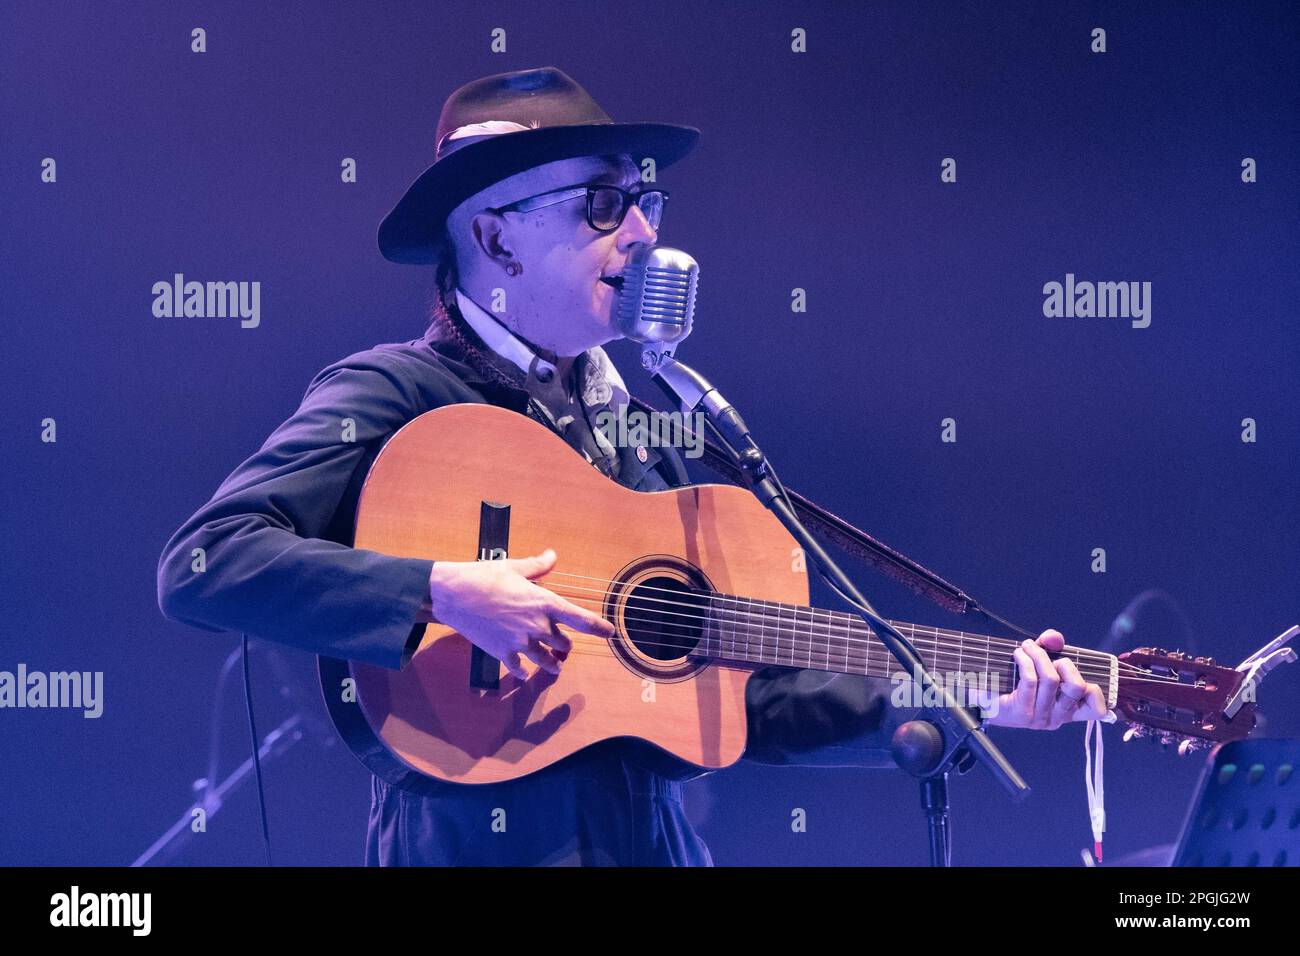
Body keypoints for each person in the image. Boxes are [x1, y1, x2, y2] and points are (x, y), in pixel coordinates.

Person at [157, 67, 1108, 866]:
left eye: (645, 202)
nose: (645, 233)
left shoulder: (640, 431)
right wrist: (442, 590)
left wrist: (979, 691)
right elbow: (208, 560)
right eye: (605, 204)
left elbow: (755, 694)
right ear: (493, 236)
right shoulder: (398, 393)